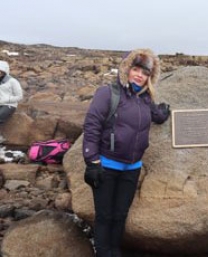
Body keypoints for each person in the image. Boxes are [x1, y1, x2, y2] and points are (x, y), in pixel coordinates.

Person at [82, 48, 170, 257]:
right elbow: (92, 126)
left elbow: (154, 114)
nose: (140, 75)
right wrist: (91, 162)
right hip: (107, 165)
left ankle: (115, 251)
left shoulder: (145, 99)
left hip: (133, 168)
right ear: (126, 69)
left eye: (145, 72)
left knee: (120, 215)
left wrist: (163, 114)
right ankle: (103, 252)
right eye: (136, 69)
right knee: (104, 215)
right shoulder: (108, 93)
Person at [0, 60, 23, 142]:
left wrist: (6, 100)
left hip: (9, 105)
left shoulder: (12, 81)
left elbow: (20, 96)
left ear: (4, 71)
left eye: (0, 71)